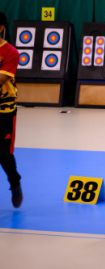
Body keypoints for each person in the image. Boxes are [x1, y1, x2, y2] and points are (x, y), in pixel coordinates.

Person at [0, 12, 23, 208]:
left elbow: (2, 79)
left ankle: (14, 182)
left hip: (4, 111)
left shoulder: (10, 52)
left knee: (4, 154)